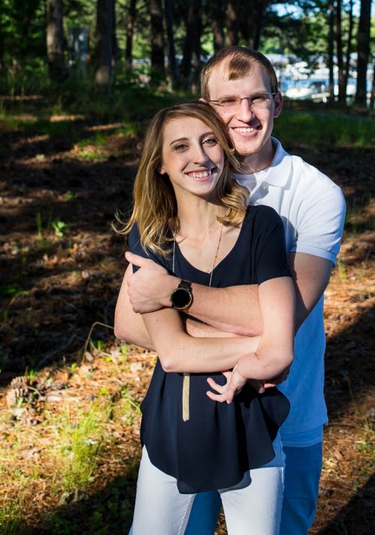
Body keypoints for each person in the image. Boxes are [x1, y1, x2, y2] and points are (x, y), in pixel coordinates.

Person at [114, 47, 347, 535]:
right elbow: (131, 321)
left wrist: (175, 297)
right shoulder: (182, 188)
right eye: (228, 101)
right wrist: (194, 339)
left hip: (285, 406)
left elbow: (281, 321)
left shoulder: (313, 194)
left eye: (258, 99)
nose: (244, 114)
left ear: (277, 105)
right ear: (206, 107)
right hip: (192, 411)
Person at [119, 102, 296, 534]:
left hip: (249, 423)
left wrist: (275, 344)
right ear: (160, 164)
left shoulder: (263, 226)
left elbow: (282, 349)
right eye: (180, 147)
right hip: (172, 427)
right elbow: (175, 355)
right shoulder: (152, 236)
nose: (199, 156)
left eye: (209, 140)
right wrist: (262, 345)